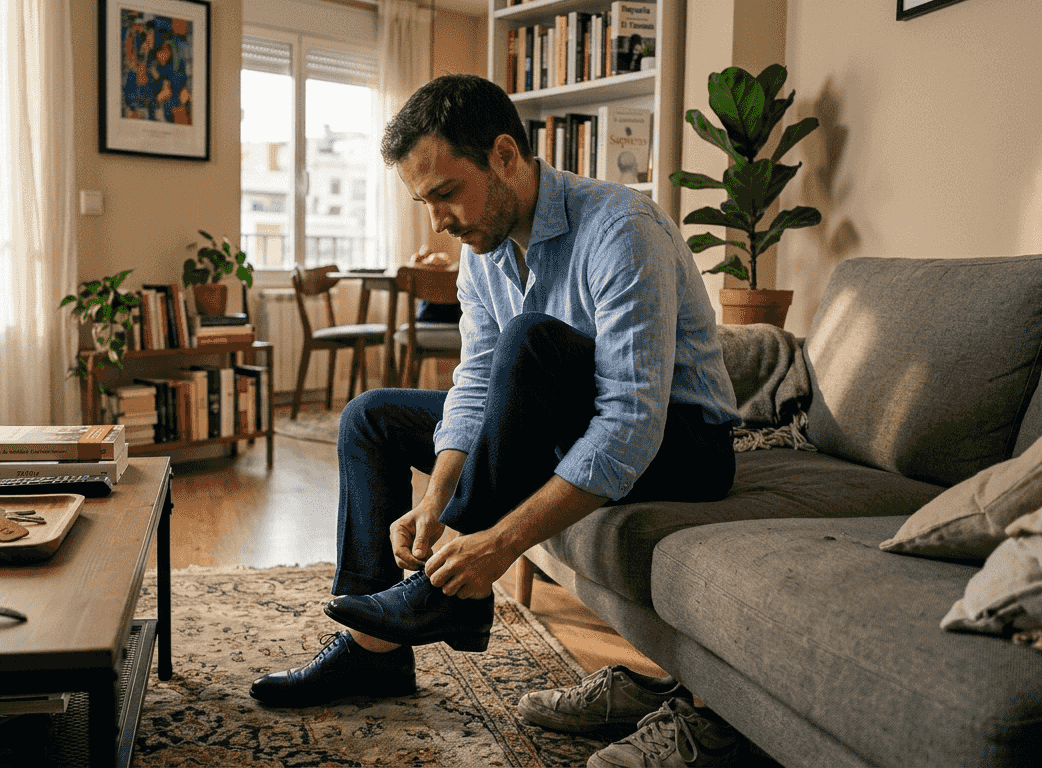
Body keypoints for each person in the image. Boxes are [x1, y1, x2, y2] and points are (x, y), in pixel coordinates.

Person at [249, 74, 745, 767]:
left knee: (530, 340)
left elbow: (632, 422)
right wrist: (437, 496)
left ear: (505, 156)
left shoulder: (622, 228)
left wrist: (492, 544)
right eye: (424, 203)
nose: (439, 221)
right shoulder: (483, 251)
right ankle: (375, 653)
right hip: (561, 424)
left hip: (685, 443)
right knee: (371, 417)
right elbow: (478, 383)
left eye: (446, 194)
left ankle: (441, 597)